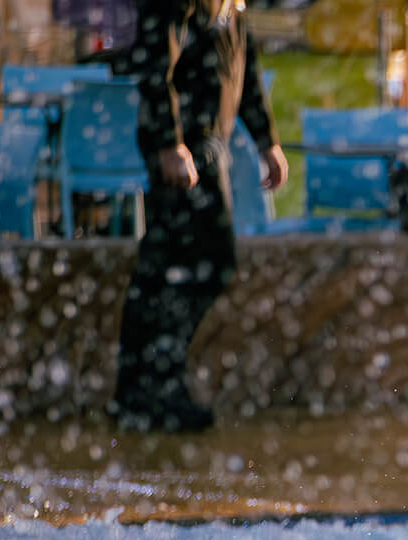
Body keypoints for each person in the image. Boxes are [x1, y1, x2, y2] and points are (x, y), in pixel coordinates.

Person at [111, 0, 288, 433]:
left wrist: (267, 140)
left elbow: (243, 67)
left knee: (161, 266)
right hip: (187, 148)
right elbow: (156, 62)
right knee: (211, 263)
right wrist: (170, 142)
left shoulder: (233, 5)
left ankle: (136, 391)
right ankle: (157, 384)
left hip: (208, 145)